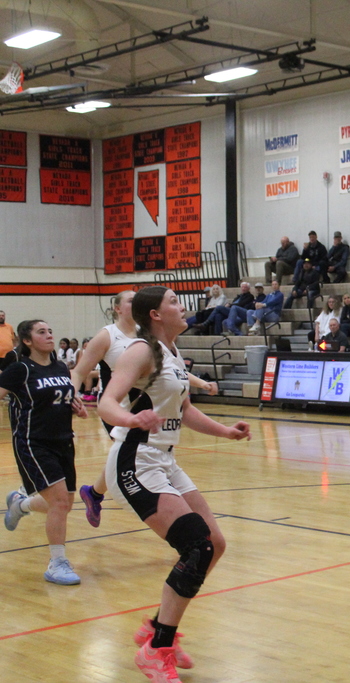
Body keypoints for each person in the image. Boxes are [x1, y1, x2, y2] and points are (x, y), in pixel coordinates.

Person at [98, 286, 250, 682]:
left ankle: (155, 629)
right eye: (173, 302)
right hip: (135, 460)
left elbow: (182, 411)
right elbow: (107, 402)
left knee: (214, 543)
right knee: (196, 543)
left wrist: (226, 432)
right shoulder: (140, 350)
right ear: (155, 315)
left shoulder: (173, 354)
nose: (182, 307)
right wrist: (130, 419)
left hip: (164, 458)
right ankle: (157, 648)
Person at [72, 290, 219, 530]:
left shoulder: (155, 339)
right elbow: (79, 371)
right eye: (129, 300)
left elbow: (171, 370)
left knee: (137, 452)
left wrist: (199, 383)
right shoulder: (108, 336)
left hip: (151, 405)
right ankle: (110, 494)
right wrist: (72, 397)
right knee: (132, 451)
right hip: (122, 406)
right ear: (118, 308)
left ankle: (95, 492)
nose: (135, 301)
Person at [2, 319, 89, 585]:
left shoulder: (61, 366)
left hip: (63, 440)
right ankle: (57, 562)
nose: (49, 335)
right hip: (33, 442)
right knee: (60, 502)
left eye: (50, 330)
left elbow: (63, 396)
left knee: (64, 503)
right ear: (27, 340)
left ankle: (21, 504)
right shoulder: (20, 370)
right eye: (42, 332)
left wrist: (76, 407)